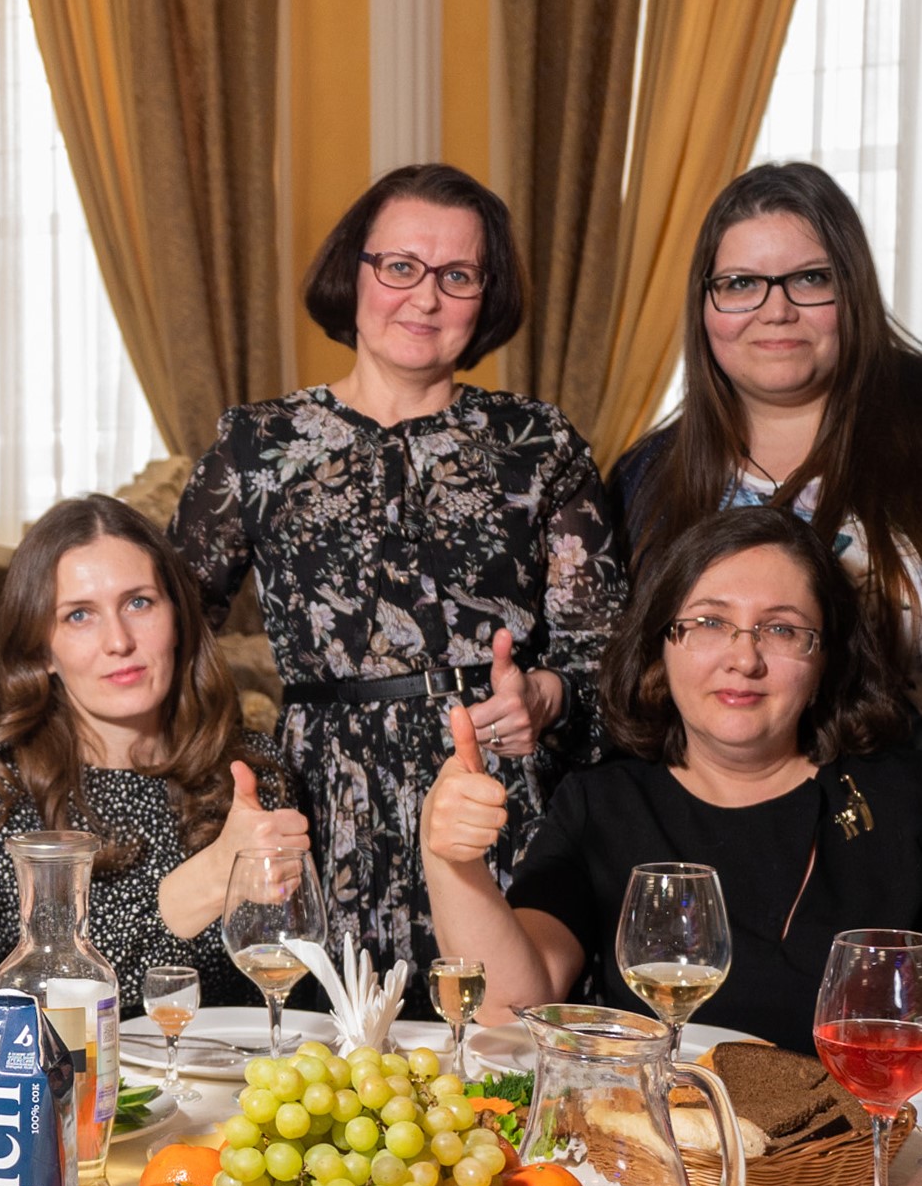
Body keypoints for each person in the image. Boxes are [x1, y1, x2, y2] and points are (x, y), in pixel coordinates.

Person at [168, 162, 626, 972]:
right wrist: (237, 760)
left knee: (498, 1032)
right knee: (326, 1036)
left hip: (492, 795)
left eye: (458, 276)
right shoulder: (259, 446)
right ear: (354, 273)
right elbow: (166, 636)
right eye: (401, 267)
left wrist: (546, 697)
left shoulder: (538, 445)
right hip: (320, 805)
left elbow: (607, 657)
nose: (425, 298)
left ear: (487, 297)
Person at [420, 507, 921, 1055]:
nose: (744, 658)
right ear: (661, 645)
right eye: (709, 623)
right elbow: (510, 1004)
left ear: (823, 660)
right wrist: (451, 860)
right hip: (661, 1112)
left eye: (781, 629)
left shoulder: (902, 798)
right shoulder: (604, 804)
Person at [0, 496, 308, 1012]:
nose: (119, 641)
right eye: (79, 615)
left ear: (177, 618)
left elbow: (289, 974)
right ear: (42, 650)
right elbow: (41, 986)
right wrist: (211, 876)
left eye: (139, 603)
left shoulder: (253, 770)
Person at [611, 161, 922, 699]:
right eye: (740, 284)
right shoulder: (645, 478)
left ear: (854, 290)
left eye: (811, 278)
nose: (776, 310)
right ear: (704, 305)